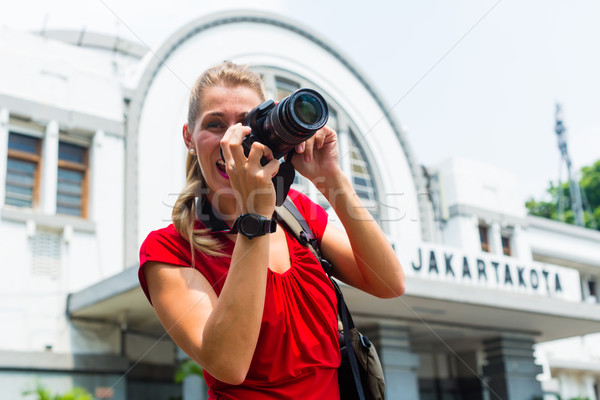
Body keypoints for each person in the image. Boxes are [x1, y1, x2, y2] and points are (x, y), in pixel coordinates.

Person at [138, 61, 405, 399]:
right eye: (215, 124)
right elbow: (229, 363)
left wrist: (330, 178)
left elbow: (389, 283)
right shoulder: (169, 250)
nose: (231, 141)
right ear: (189, 137)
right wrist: (255, 215)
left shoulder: (297, 215)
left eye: (247, 124)